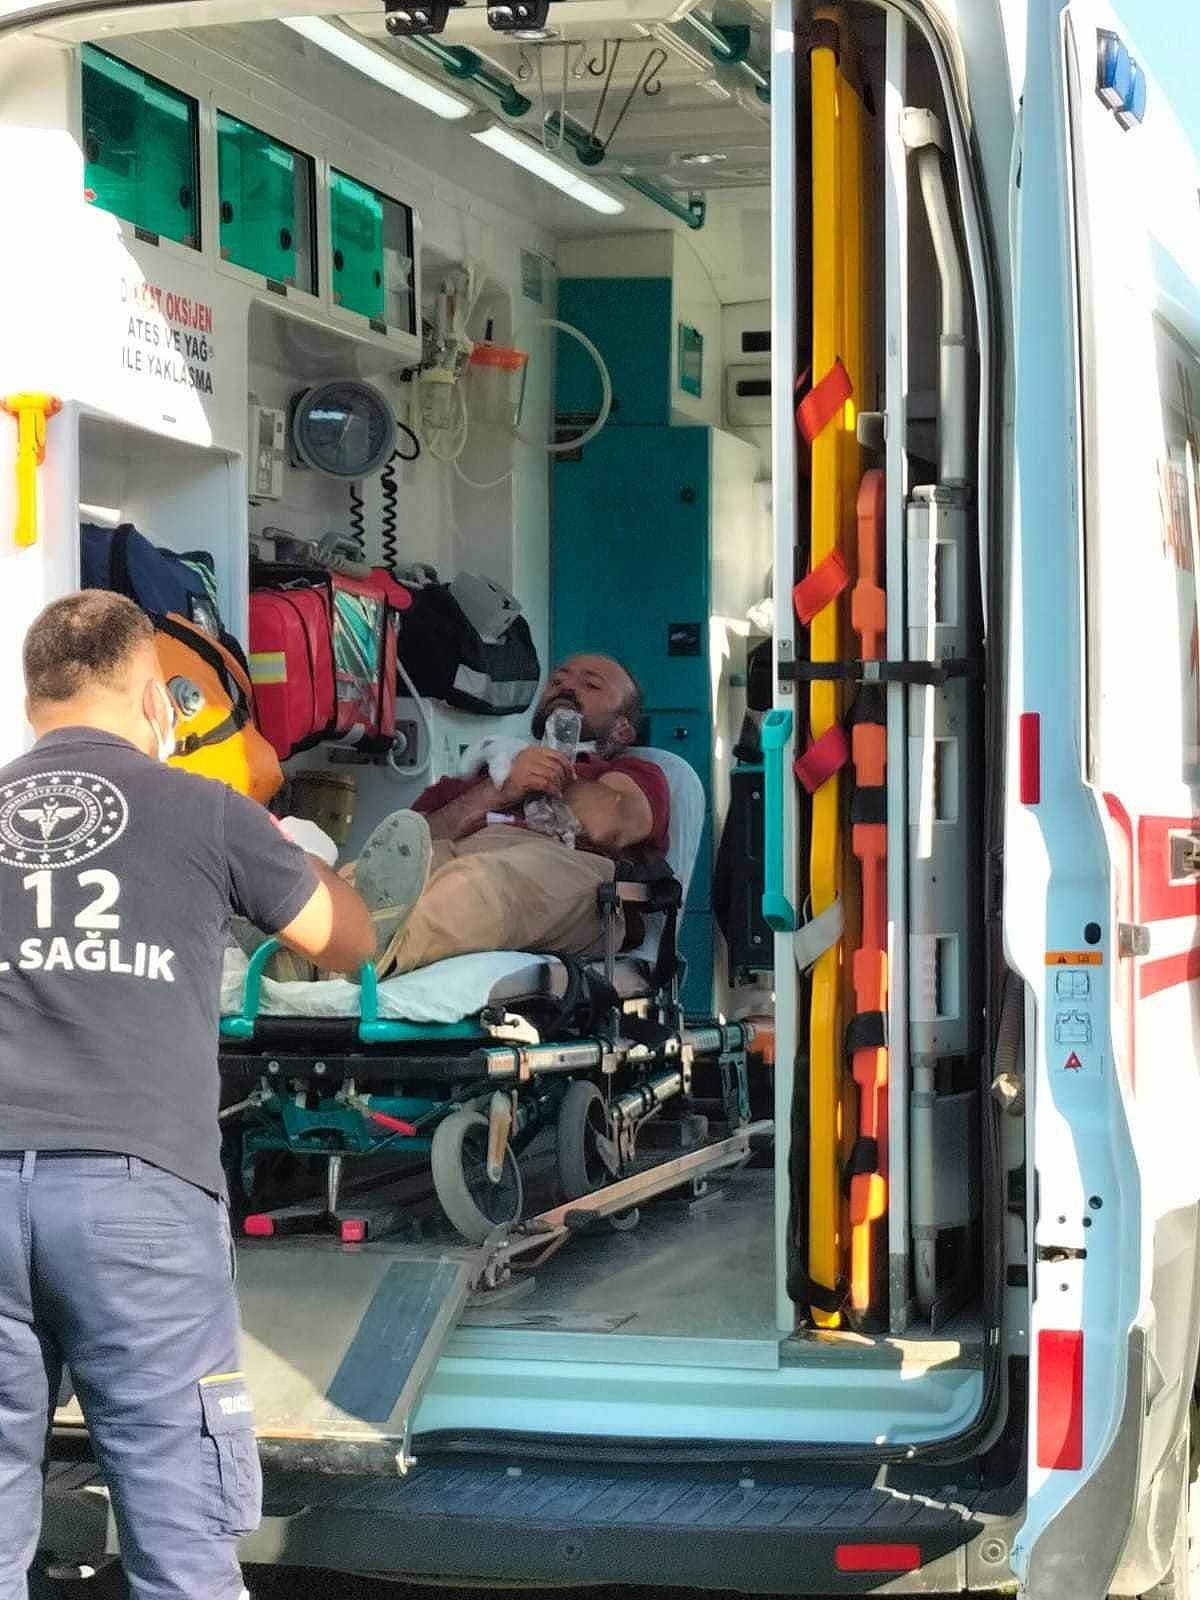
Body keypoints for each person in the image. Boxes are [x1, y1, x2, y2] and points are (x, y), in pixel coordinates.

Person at [0, 592, 374, 1600]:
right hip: (137, 1199)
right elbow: (343, 940)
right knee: (181, 1549)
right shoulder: (205, 810)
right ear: (156, 698)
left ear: (35, 700)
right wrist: (299, 861)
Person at [314, 652, 671, 979]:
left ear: (622, 729)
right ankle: (301, 951)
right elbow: (411, 842)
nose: (566, 687)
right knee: (373, 872)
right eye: (558, 680)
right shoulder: (488, 775)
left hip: (573, 870)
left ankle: (354, 963)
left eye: (591, 684)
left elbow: (611, 825)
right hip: (467, 850)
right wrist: (500, 790)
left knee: (477, 884)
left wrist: (553, 772)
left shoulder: (634, 773)